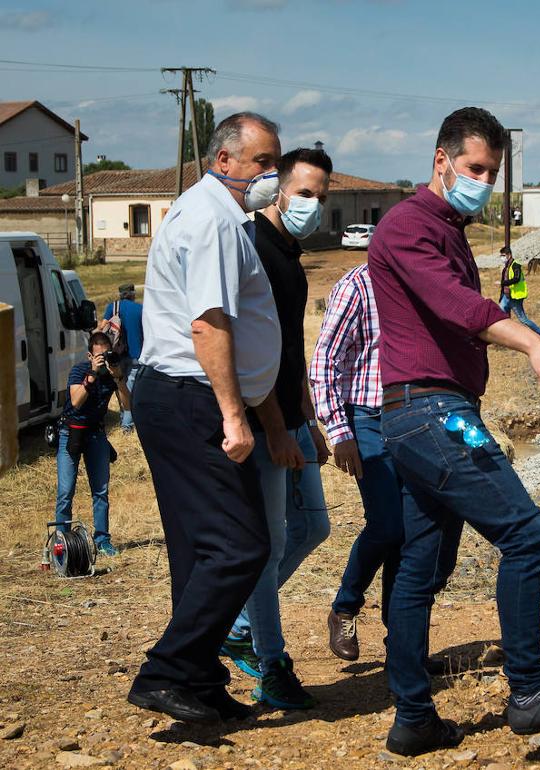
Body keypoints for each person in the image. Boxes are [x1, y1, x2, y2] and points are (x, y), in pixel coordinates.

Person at [368, 107, 540, 756]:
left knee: (419, 571)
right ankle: (529, 692)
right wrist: (529, 343)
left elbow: (458, 320)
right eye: (475, 167)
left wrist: (520, 338)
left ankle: (413, 720)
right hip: (432, 416)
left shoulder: (445, 226)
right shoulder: (408, 227)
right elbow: (459, 308)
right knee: (527, 534)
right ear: (441, 161)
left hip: (431, 414)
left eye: (493, 172)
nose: (483, 180)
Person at [127, 111, 282, 725]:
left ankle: (196, 679)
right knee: (241, 547)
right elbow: (208, 323)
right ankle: (166, 671)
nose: (270, 174)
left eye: (274, 162)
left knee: (198, 550)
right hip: (193, 397)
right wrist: (232, 414)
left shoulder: (212, 212)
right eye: (261, 162)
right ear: (225, 161)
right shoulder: (214, 218)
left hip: (179, 396)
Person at [219, 147, 334, 710]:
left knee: (313, 528)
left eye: (322, 196)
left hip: (292, 418)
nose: (313, 205)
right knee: (270, 543)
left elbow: (291, 349)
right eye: (306, 192)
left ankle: (236, 620)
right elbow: (248, 353)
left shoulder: (290, 253)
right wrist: (276, 427)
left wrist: (308, 419)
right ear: (281, 189)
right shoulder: (254, 247)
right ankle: (272, 667)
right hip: (266, 422)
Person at [312, 263, 461, 666]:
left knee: (414, 532)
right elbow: (324, 360)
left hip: (418, 415)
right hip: (369, 418)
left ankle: (404, 647)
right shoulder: (358, 286)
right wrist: (340, 432)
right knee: (387, 524)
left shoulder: (424, 280)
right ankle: (345, 607)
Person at [55, 331, 131, 556]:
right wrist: (92, 375)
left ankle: (102, 540)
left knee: (101, 490)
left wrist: (118, 378)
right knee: (65, 491)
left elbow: (128, 406)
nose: (103, 360)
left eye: (106, 355)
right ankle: (61, 543)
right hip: (71, 433)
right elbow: (76, 402)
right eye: (99, 356)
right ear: (90, 355)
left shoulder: (112, 373)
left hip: (96, 435)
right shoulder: (79, 370)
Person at [100, 284, 143, 431]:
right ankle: (127, 426)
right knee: (129, 391)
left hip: (115, 356)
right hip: (135, 355)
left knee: (120, 388)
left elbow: (102, 329)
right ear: (133, 294)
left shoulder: (112, 307)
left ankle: (123, 419)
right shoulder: (140, 309)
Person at [499, 247, 540, 339]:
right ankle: (504, 336)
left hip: (515, 297)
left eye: (503, 256)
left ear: (509, 255)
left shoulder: (515, 265)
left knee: (523, 319)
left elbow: (516, 279)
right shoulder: (506, 266)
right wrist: (501, 296)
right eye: (501, 256)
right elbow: (503, 283)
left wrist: (505, 283)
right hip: (506, 296)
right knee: (500, 315)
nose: (502, 258)